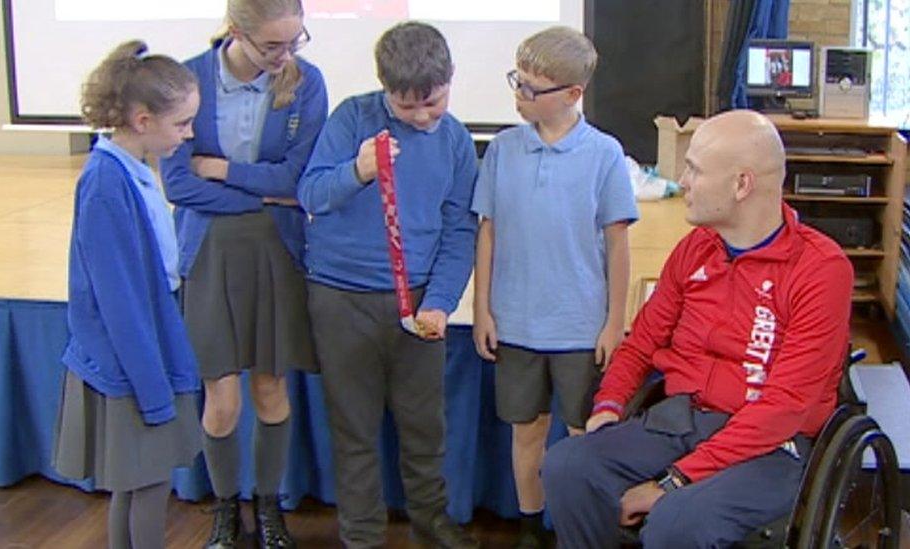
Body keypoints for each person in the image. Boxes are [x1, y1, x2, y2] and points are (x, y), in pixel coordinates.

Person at [541, 109, 854, 548]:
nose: (682, 182)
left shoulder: (820, 270)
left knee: (676, 521)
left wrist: (673, 482)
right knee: (568, 466)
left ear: (742, 184)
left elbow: (785, 406)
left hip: (771, 442)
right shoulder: (696, 249)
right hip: (684, 417)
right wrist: (609, 404)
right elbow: (642, 342)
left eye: (694, 170)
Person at [297, 21, 479, 549]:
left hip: (419, 301)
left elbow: (459, 228)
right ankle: (362, 535)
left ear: (451, 80)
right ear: (384, 89)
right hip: (341, 298)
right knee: (354, 429)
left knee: (425, 425)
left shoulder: (456, 141)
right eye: (407, 107)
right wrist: (357, 170)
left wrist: (442, 301)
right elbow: (310, 192)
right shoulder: (352, 119)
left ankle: (432, 522)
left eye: (435, 102)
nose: (422, 117)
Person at [158, 1, 328, 547]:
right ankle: (227, 506)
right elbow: (180, 186)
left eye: (294, 42)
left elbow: (296, 178)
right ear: (235, 34)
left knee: (272, 389)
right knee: (222, 399)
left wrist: (227, 171)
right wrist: (262, 198)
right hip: (209, 252)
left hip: (277, 252)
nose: (284, 57)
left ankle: (269, 504)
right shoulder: (188, 81)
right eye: (271, 47)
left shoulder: (307, 83)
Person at [470, 26, 637, 548]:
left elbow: (617, 244)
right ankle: (529, 527)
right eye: (516, 83)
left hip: (580, 328)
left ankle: (581, 531)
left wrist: (613, 321)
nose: (519, 96)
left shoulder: (604, 154)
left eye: (530, 89)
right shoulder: (502, 149)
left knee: (585, 437)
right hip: (516, 323)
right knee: (527, 432)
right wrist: (482, 310)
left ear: (571, 94)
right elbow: (488, 231)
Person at [52, 40, 201, 549]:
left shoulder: (130, 171)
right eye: (181, 124)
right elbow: (120, 302)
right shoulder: (104, 183)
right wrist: (153, 387)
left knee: (136, 483)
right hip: (130, 365)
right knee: (146, 482)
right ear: (142, 120)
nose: (189, 134)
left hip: (142, 353)